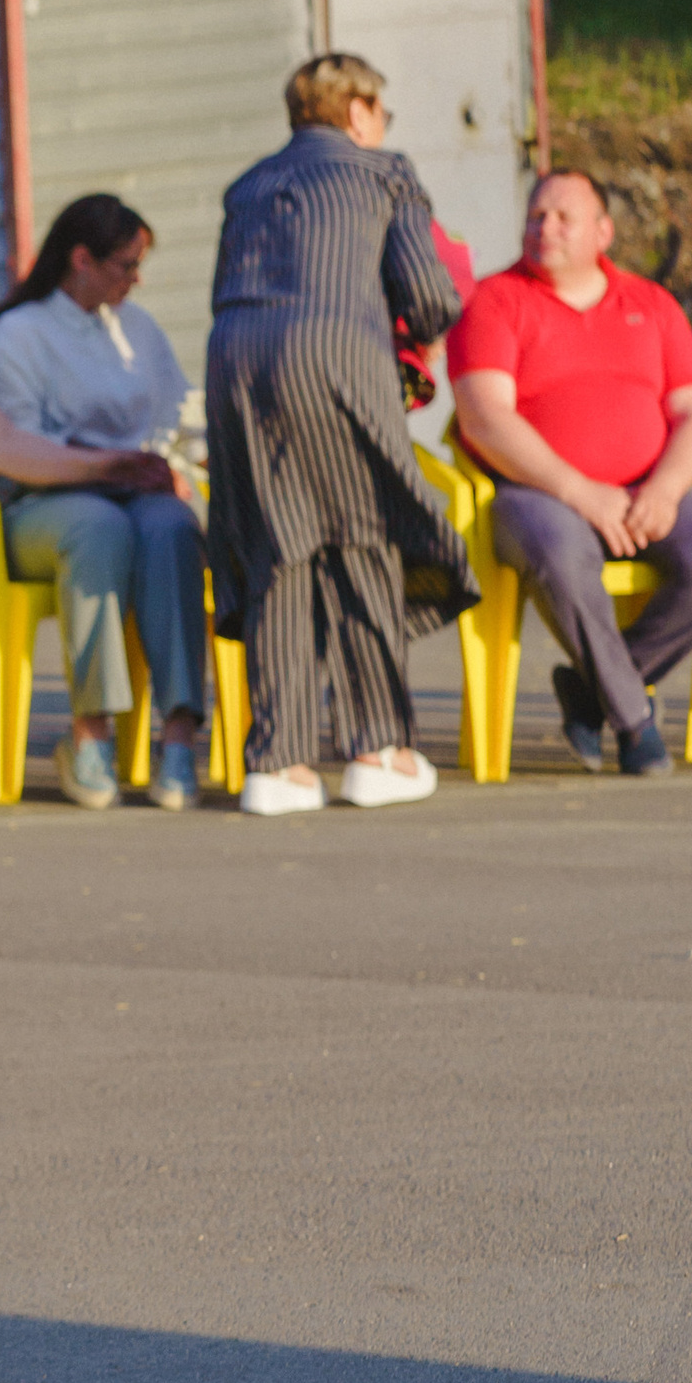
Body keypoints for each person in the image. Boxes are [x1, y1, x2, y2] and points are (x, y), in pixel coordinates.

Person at [206, 52, 475, 815]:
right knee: (363, 537)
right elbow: (428, 294)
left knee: (278, 548)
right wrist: (417, 335)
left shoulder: (247, 186)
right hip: (333, 358)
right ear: (358, 112)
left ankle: (279, 763)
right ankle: (378, 748)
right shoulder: (382, 171)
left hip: (235, 364)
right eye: (379, 114)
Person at [449, 168, 692, 776]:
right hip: (534, 494)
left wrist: (665, 490)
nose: (545, 227)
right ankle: (635, 723)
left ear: (603, 231)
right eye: (537, 215)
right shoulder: (493, 300)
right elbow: (485, 418)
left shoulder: (652, 303)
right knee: (564, 555)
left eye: (564, 216)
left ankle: (591, 695)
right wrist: (580, 492)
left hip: (647, 489)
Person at [0, 190, 208, 810]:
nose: (136, 279)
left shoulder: (137, 328)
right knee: (99, 529)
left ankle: (179, 736)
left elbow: (178, 416)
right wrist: (106, 466)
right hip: (42, 505)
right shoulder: (19, 334)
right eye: (124, 265)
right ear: (81, 258)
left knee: (174, 528)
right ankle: (90, 733)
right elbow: (18, 445)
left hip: (133, 496)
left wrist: (185, 462)